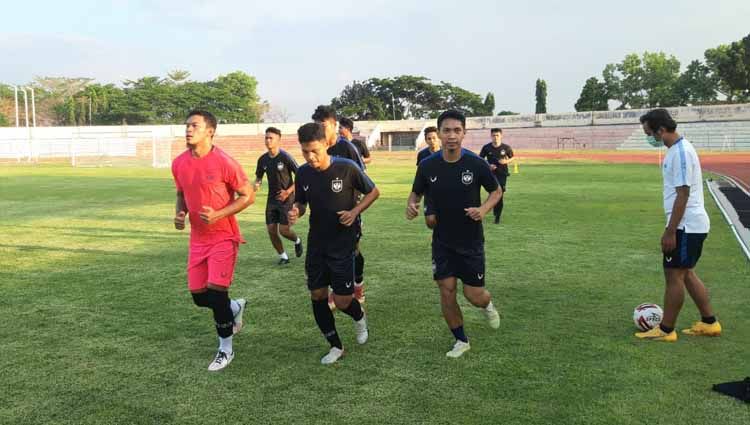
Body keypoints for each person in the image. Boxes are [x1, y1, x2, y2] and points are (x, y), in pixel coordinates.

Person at [406, 110, 502, 358]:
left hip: (470, 242)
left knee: (474, 295)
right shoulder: (427, 165)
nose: (451, 136)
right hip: (442, 241)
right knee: (446, 289)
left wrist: (483, 209)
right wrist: (411, 204)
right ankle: (461, 340)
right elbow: (416, 192)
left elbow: (496, 191)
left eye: (456, 131)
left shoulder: (475, 163)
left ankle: (487, 305)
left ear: (464, 133)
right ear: (438, 133)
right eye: (446, 130)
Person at [288, 122, 380, 364]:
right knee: (317, 295)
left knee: (342, 301)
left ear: (326, 145)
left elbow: (373, 192)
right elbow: (301, 202)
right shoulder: (303, 173)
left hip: (342, 244)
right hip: (317, 243)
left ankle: (359, 317)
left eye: (314, 151)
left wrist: (354, 212)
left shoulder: (346, 168)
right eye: (305, 151)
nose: (310, 157)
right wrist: (296, 211)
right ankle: (335, 346)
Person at [171, 110, 255, 371]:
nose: (188, 130)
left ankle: (225, 349)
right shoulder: (179, 163)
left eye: (194, 125)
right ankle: (234, 307)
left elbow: (248, 196)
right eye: (187, 126)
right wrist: (180, 212)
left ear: (210, 131)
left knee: (217, 292)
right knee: (199, 296)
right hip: (198, 239)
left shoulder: (224, 162)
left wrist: (218, 213)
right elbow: (181, 192)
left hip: (223, 236)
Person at [635, 108, 721, 342]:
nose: (649, 138)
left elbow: (683, 194)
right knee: (687, 273)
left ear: (661, 130)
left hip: (686, 226)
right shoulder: (676, 150)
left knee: (673, 275)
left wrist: (670, 230)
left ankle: (665, 330)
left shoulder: (681, 152)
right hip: (689, 225)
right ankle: (709, 322)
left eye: (650, 133)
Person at [312, 105, 367, 307]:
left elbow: (363, 180)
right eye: (317, 126)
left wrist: (354, 209)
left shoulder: (347, 148)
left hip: (349, 212)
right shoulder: (319, 148)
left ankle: (358, 285)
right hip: (326, 215)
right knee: (328, 250)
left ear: (334, 125)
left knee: (353, 250)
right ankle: (337, 292)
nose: (320, 130)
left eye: (323, 126)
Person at [254, 127, 303, 265]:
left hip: (287, 199)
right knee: (271, 230)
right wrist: (256, 185)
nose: (268, 140)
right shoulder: (262, 159)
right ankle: (284, 256)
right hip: (271, 199)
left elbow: (300, 177)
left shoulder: (285, 157)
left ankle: (297, 240)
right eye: (266, 138)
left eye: (271, 138)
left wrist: (287, 192)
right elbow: (258, 177)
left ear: (278, 140)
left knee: (284, 230)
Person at [479, 128, 514, 224]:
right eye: (494, 135)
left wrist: (506, 161)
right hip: (490, 174)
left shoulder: (506, 148)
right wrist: (488, 165)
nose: (495, 137)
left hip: (502, 174)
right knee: (493, 193)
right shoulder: (486, 147)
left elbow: (512, 158)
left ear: (501, 136)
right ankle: (493, 209)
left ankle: (497, 216)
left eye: (497, 135)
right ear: (491, 136)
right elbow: (480, 159)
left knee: (500, 194)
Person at [417, 126, 441, 229]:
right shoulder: (422, 154)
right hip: (429, 192)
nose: (432, 141)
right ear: (426, 140)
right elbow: (420, 174)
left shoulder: (446, 152)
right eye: (429, 139)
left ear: (439, 137)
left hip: (445, 190)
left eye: (434, 138)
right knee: (430, 221)